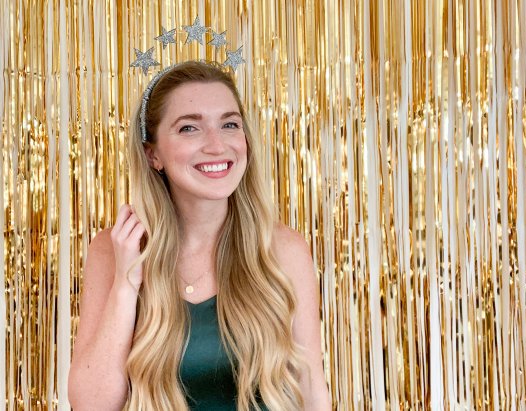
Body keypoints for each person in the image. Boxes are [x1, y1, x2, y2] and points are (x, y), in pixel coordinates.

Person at [68, 61, 332, 411]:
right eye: (190, 128)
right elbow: (91, 404)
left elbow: (312, 390)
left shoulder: (283, 249)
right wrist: (127, 282)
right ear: (153, 154)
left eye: (229, 125)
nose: (216, 145)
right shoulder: (114, 249)